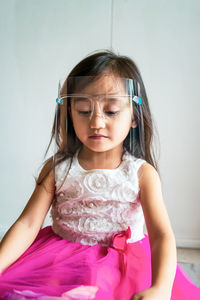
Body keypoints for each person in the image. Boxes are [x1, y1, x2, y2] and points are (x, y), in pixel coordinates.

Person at [0, 50, 199, 300]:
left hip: (125, 266)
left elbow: (160, 235)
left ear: (134, 117)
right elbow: (27, 224)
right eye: (83, 110)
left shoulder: (141, 173)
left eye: (111, 111)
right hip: (60, 260)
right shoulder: (57, 169)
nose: (96, 122)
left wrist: (160, 287)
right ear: (70, 114)